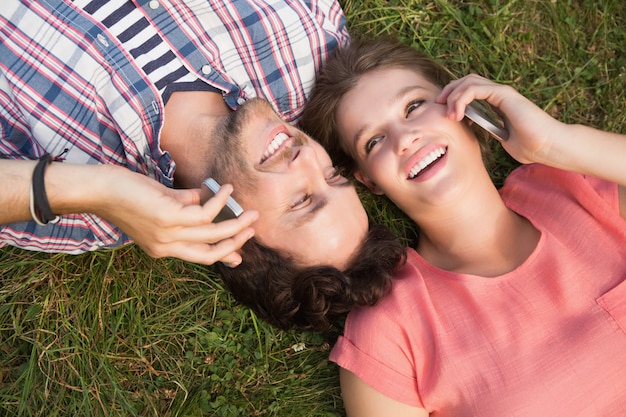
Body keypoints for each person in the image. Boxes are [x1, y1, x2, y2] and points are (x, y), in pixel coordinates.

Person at [299, 37, 626, 416]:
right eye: (374, 141)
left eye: (414, 106)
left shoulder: (574, 187)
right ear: (369, 181)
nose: (405, 139)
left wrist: (555, 143)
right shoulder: (391, 330)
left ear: (463, 106)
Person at [0, 0, 363, 268]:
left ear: (226, 233)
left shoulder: (83, 213)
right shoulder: (308, 44)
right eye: (332, 175)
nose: (309, 159)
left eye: (301, 200)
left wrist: (98, 189)